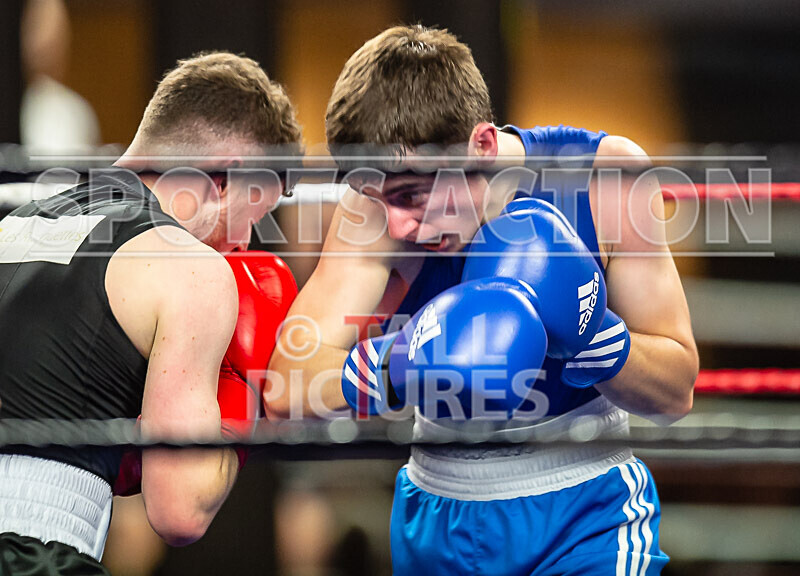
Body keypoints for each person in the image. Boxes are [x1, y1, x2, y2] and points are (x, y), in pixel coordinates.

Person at [267, 25, 698, 575]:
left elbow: (676, 389)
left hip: (583, 513)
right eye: (379, 197)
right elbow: (288, 383)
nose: (398, 221)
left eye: (412, 195)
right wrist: (399, 361)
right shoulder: (372, 214)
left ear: (484, 146)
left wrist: (593, 336)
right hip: (438, 513)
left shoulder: (602, 177)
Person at [0, 51, 301, 574]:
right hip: (36, 551)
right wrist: (246, 399)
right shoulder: (188, 267)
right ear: (225, 180)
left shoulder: (12, 224)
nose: (245, 241)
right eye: (256, 212)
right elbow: (179, 511)